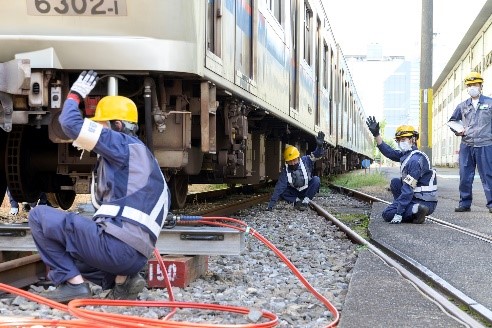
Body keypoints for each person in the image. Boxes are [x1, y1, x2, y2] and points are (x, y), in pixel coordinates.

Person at [28, 70, 170, 303]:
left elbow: (69, 123)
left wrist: (75, 95)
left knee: (38, 216)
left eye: (100, 124)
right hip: (135, 259)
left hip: (116, 251)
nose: (96, 129)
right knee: (72, 249)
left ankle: (74, 287)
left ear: (117, 125)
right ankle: (124, 283)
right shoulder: (146, 159)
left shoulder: (120, 143)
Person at [366, 117, 437, 224]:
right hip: (419, 197)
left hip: (424, 202)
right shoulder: (408, 155)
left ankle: (416, 210)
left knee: (387, 214)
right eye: (399, 140)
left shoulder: (415, 160)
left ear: (413, 139)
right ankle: (410, 208)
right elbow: (390, 152)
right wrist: (377, 135)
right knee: (395, 182)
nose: (400, 143)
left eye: (403, 140)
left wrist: (399, 213)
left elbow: (408, 189)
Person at [448, 71, 492, 213]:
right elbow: (452, 121)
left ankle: (491, 203)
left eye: (475, 84)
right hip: (466, 145)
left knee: (488, 175)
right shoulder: (462, 106)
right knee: (465, 176)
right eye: (470, 85)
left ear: (481, 86)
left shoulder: (490, 103)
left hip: (485, 144)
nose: (472, 87)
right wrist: (458, 130)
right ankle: (464, 203)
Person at [267, 131, 325, 211]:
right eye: (290, 161)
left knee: (316, 180)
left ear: (298, 158)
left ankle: (306, 201)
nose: (293, 163)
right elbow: (279, 187)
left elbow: (317, 155)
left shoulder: (306, 160)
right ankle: (297, 201)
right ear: (287, 162)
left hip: (306, 189)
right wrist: (271, 204)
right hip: (294, 192)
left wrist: (319, 146)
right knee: (283, 191)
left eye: (294, 160)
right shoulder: (285, 171)